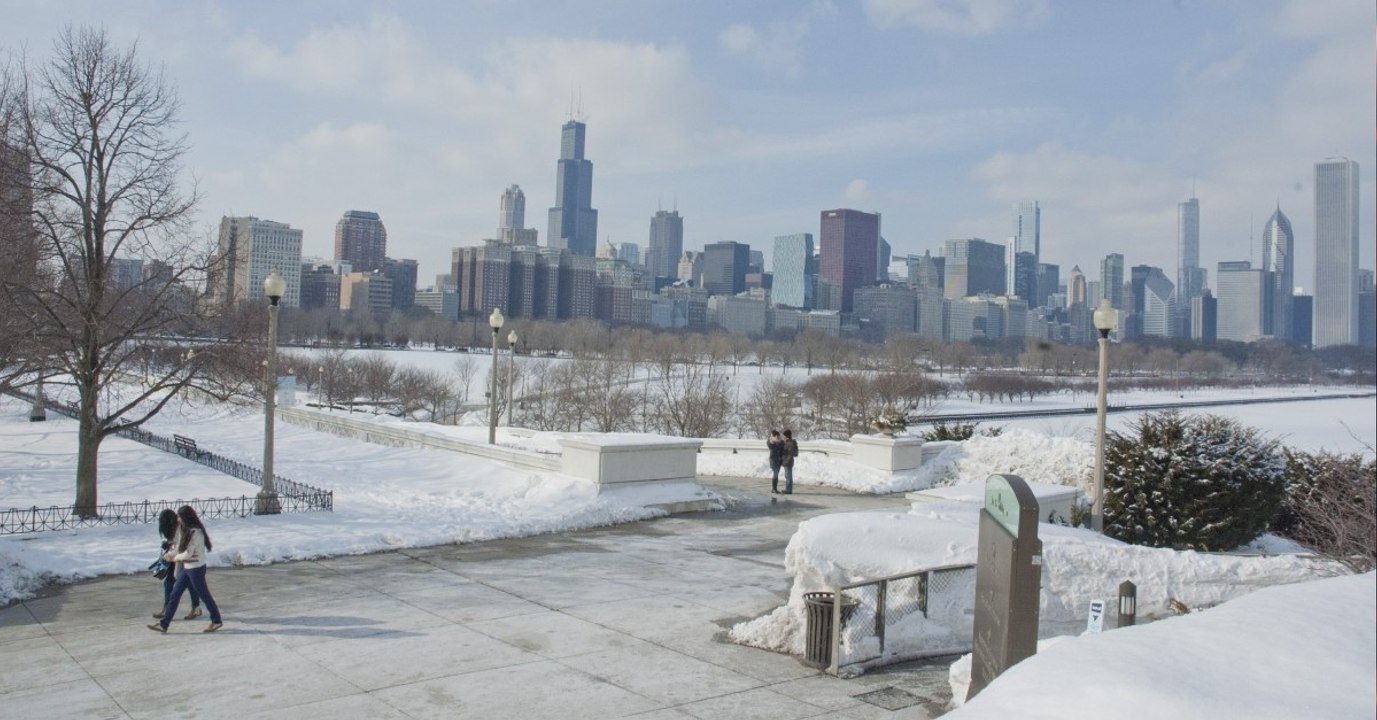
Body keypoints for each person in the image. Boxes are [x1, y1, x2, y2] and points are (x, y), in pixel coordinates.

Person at [148, 505, 223, 633]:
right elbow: (180, 546)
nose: (177, 519)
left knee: (205, 596)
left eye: (179, 516)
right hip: (187, 568)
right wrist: (170, 554)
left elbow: (188, 553)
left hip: (196, 569)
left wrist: (174, 558)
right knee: (174, 595)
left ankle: (216, 621)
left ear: (185, 517)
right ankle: (164, 624)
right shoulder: (186, 530)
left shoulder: (196, 533)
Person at [153, 508, 200, 620]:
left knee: (189, 584)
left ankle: (195, 607)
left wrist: (169, 553)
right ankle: (167, 609)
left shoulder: (180, 527)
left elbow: (180, 546)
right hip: (176, 559)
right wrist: (168, 544)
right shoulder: (173, 528)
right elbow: (175, 543)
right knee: (169, 583)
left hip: (185, 559)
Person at [781, 429, 799, 494]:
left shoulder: (790, 443)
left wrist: (787, 461)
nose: (783, 437)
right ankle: (787, 488)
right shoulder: (786, 442)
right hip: (786, 461)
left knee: (788, 476)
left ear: (787, 436)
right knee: (787, 476)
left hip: (788, 462)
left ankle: (788, 490)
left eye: (784, 436)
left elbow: (790, 454)